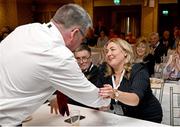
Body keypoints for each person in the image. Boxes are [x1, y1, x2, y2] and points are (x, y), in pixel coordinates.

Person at [0, 4, 110, 125]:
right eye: (82, 39)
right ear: (74, 33)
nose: (81, 43)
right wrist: (108, 98)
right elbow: (90, 96)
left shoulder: (25, 29)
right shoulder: (59, 55)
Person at [98, 38, 163, 123]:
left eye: (112, 49)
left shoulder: (139, 70)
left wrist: (115, 94)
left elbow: (135, 99)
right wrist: (102, 104)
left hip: (147, 117)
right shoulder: (104, 72)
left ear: (125, 52)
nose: (108, 54)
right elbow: (98, 94)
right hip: (125, 117)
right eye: (106, 51)